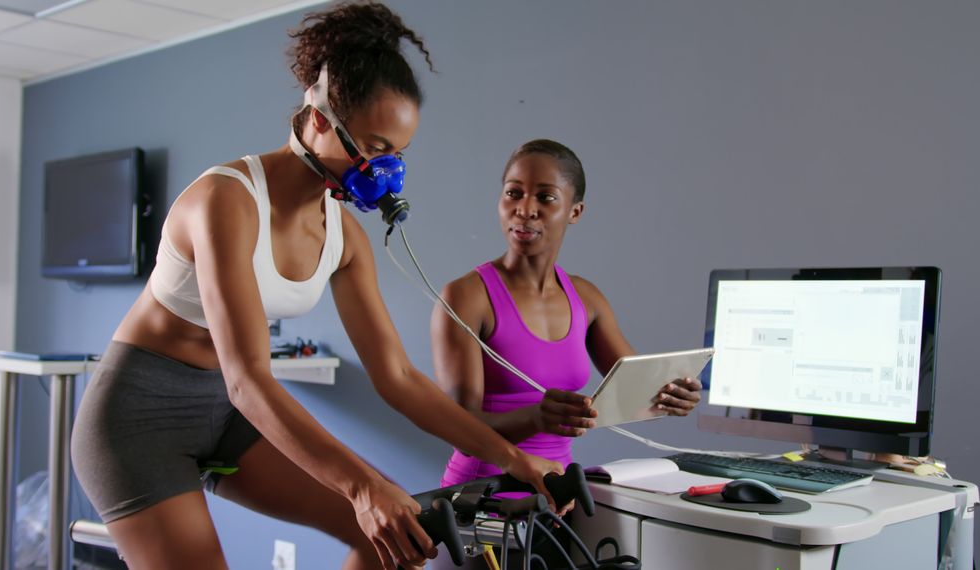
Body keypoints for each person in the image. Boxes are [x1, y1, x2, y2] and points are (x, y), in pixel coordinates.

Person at [70, 4, 563, 569]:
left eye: (398, 153)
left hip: (227, 413)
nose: (388, 170)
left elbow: (397, 378)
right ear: (321, 118)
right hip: (139, 414)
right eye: (376, 148)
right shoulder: (225, 202)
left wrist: (510, 458)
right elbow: (248, 380)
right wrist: (360, 488)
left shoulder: (345, 238)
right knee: (367, 506)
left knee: (396, 541)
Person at [429, 139, 704, 565]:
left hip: (555, 507)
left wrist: (673, 395)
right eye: (513, 192)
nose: (525, 208)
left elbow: (635, 386)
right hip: (478, 508)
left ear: (574, 211)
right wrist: (536, 417)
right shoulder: (466, 296)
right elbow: (461, 428)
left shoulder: (587, 299)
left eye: (546, 197)